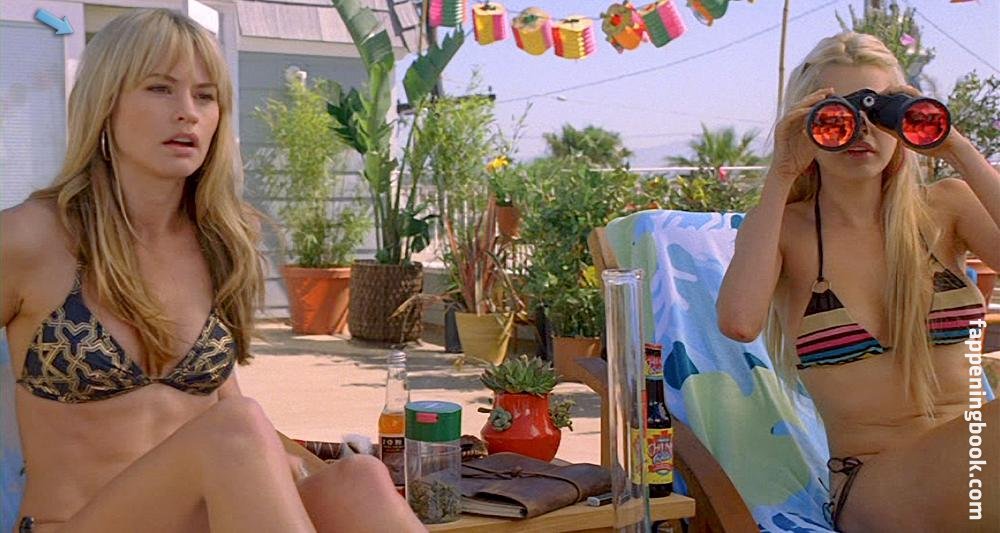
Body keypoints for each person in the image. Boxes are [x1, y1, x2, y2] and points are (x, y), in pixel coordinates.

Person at [1, 9, 425, 533]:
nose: (187, 113)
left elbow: (225, 408)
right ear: (105, 102)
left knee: (359, 479)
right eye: (160, 88)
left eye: (205, 96)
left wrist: (323, 472)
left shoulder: (219, 242)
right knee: (237, 430)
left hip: (197, 519)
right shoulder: (29, 236)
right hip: (71, 523)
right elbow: (233, 433)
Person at [718, 32, 998, 533]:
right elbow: (739, 322)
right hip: (877, 483)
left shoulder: (947, 207)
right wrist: (781, 173)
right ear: (805, 123)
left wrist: (953, 144)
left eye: (882, 110)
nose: (861, 131)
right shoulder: (783, 229)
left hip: (975, 461)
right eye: (836, 117)